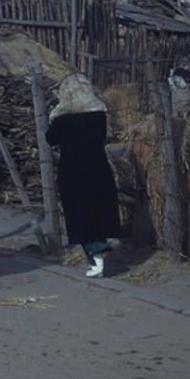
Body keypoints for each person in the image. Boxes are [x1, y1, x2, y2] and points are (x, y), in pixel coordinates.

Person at [45, 73, 121, 278]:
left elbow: (50, 139)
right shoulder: (98, 116)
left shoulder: (63, 119)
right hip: (98, 168)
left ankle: (96, 252)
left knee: (79, 215)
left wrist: (53, 116)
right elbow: (101, 137)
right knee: (97, 211)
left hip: (72, 172)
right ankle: (97, 256)